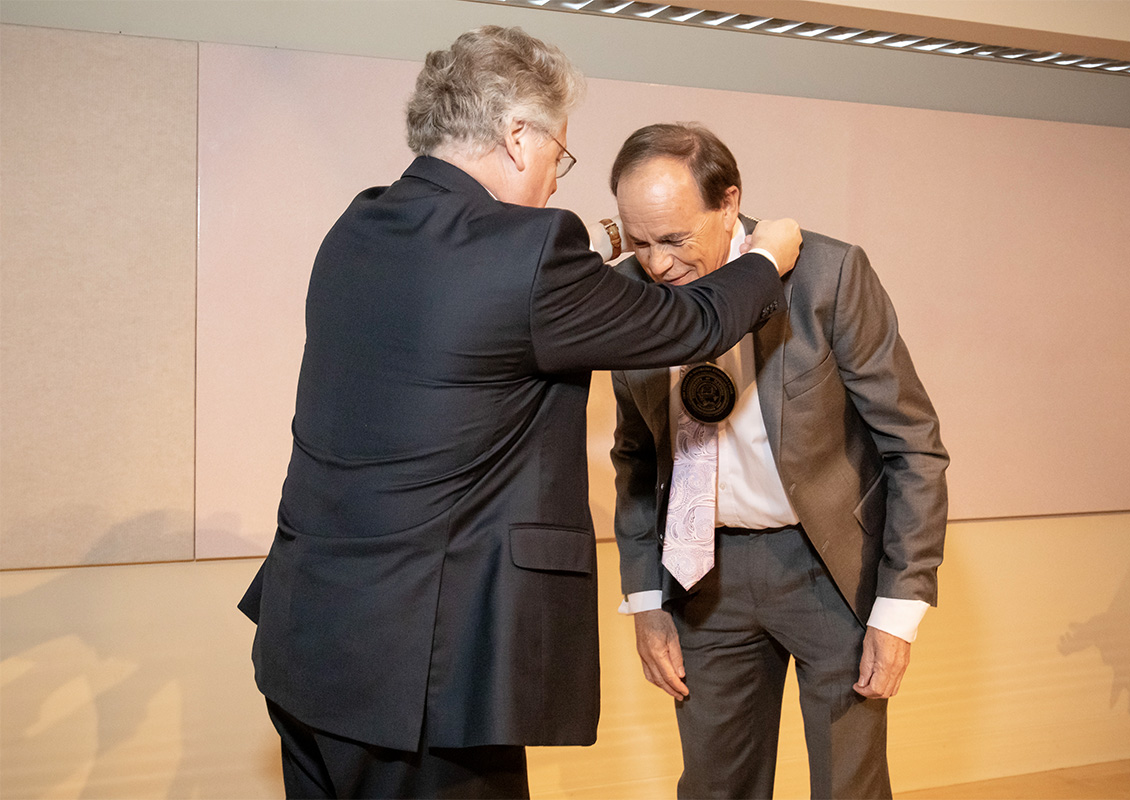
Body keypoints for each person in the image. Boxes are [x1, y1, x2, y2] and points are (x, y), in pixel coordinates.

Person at [237, 30, 803, 799]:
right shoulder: (529, 251)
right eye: (557, 157)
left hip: (308, 640)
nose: (551, 182)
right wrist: (765, 256)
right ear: (516, 136)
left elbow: (484, 320)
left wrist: (604, 265)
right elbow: (694, 324)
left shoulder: (360, 226)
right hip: (422, 675)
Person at [608, 123, 949, 800]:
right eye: (637, 240)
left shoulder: (828, 275)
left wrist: (897, 612)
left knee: (847, 787)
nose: (655, 264)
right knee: (713, 787)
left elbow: (913, 445)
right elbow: (635, 457)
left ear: (729, 204)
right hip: (703, 578)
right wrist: (646, 600)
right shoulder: (628, 295)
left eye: (674, 239)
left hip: (830, 571)